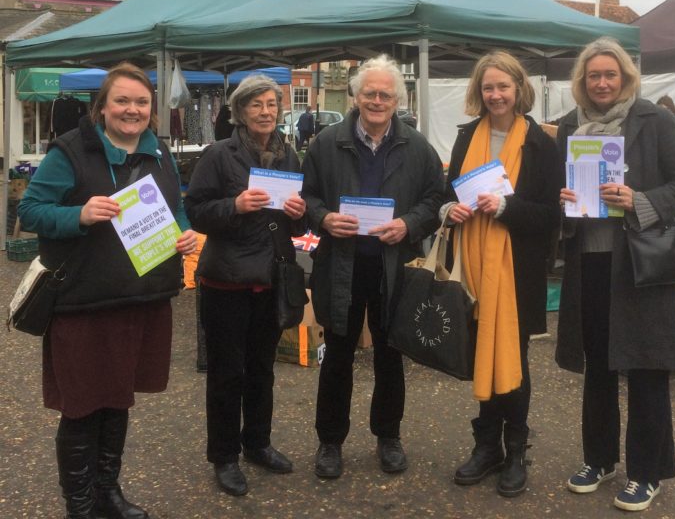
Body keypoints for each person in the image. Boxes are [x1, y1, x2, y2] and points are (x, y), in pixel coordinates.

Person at [18, 62, 198, 519]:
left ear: (151, 111)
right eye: (122, 100)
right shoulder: (71, 152)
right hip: (83, 301)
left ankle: (108, 494)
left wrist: (186, 233)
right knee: (82, 407)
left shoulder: (159, 153)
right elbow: (32, 209)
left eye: (141, 102)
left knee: (118, 399)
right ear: (102, 107)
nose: (131, 110)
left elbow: (175, 207)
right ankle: (80, 505)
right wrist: (77, 215)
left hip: (141, 298)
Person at [556, 38, 675, 512]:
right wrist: (562, 201)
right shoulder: (568, 128)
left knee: (645, 366)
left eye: (610, 75)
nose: (601, 83)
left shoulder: (654, 121)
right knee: (598, 364)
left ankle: (647, 471)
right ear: (582, 81)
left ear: (625, 79)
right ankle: (599, 459)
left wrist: (637, 198)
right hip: (590, 263)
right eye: (593, 75)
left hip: (640, 263)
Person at [301, 54, 444, 479]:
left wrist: (408, 223)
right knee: (337, 358)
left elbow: (436, 200)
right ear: (356, 96)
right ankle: (330, 442)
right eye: (370, 93)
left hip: (394, 267)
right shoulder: (326, 143)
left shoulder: (417, 147)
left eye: (385, 94)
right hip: (341, 267)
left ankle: (388, 436)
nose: (377, 100)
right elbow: (304, 197)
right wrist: (323, 218)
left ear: (398, 99)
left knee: (389, 356)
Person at [441, 51, 561, 498]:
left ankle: (515, 452)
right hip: (471, 264)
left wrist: (507, 207)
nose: (495, 95)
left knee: (514, 361)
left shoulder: (539, 143)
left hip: (517, 272)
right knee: (480, 354)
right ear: (480, 90)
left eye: (503, 87)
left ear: (518, 90)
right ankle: (485, 446)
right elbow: (448, 190)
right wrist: (448, 208)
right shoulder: (466, 137)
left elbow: (552, 216)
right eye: (488, 87)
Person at [184, 74, 306, 497]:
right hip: (227, 280)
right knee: (225, 374)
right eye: (257, 105)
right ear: (240, 111)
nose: (266, 112)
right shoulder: (219, 154)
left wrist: (301, 212)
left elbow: (299, 222)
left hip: (271, 277)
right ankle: (224, 456)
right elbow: (195, 211)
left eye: (272, 104)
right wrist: (233, 206)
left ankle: (257, 443)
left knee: (261, 370)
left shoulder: (289, 155)